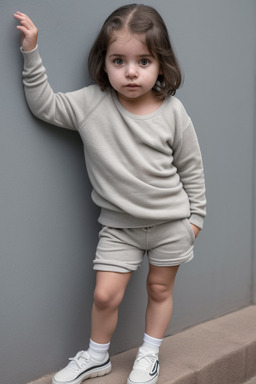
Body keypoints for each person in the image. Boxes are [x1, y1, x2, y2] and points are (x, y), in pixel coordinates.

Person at [14, 4, 206, 384]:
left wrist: (195, 221)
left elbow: (192, 169)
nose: (131, 71)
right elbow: (45, 105)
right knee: (105, 295)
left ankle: (148, 354)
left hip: (171, 224)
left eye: (143, 61)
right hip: (119, 228)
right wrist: (31, 52)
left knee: (158, 289)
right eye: (119, 60)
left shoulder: (173, 111)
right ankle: (97, 356)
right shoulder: (90, 104)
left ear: (161, 64)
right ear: (104, 64)